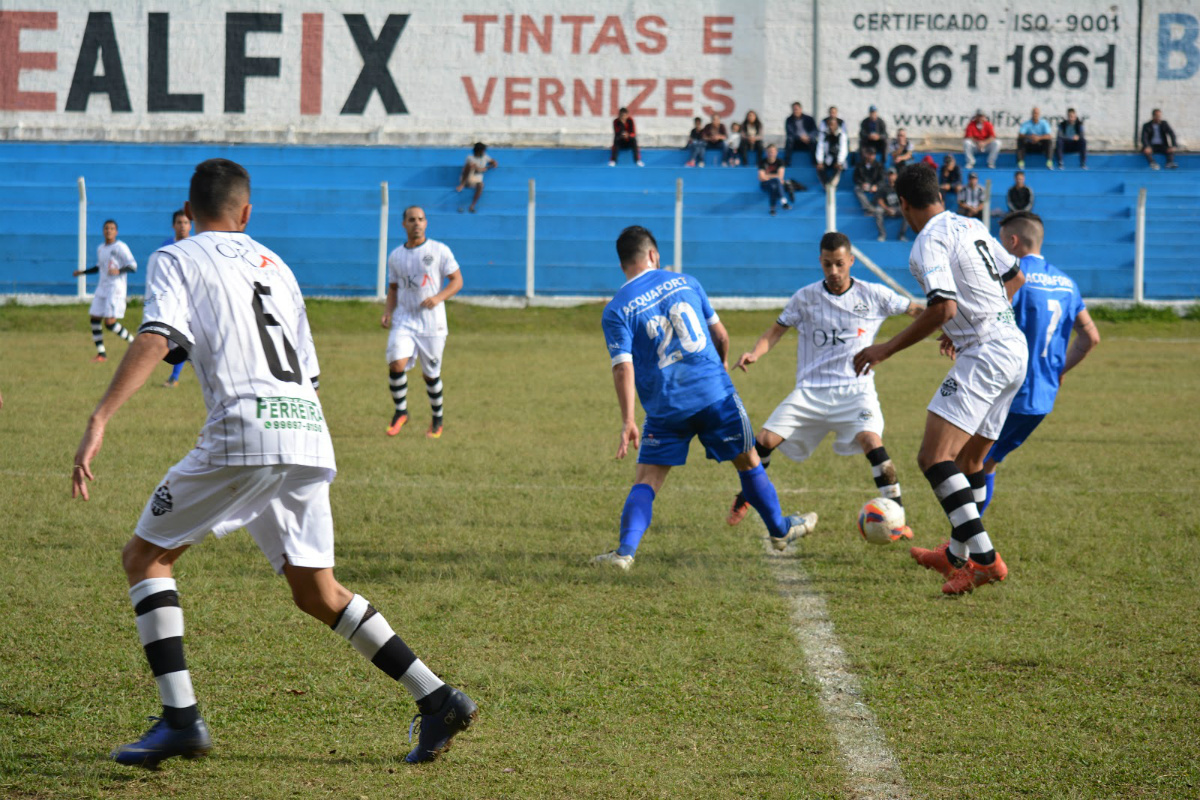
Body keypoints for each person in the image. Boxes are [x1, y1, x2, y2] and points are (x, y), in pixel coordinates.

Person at [70, 158, 477, 768]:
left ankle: (180, 719)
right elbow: (307, 370)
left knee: (145, 557)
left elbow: (156, 335)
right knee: (318, 591)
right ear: (246, 212)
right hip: (308, 430)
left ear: (191, 210)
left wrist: (100, 417)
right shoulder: (277, 265)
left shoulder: (176, 256)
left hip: (244, 430)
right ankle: (438, 697)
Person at [852, 163, 1028, 596]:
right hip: (1012, 347)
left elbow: (943, 307)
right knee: (970, 463)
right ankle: (955, 556)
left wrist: (884, 349)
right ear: (940, 195)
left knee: (934, 457)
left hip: (986, 353)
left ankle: (985, 561)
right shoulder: (972, 225)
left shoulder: (927, 241)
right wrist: (965, 324)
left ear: (903, 204)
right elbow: (1016, 278)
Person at [594, 226, 816, 569]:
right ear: (653, 254)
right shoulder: (686, 282)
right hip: (714, 395)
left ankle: (624, 553)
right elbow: (721, 335)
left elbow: (623, 367)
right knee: (748, 462)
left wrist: (628, 420)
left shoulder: (616, 309)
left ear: (623, 263)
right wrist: (722, 364)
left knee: (647, 479)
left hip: (665, 407)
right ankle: (780, 529)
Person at [725, 231, 921, 530]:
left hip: (856, 391)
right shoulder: (805, 298)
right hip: (810, 391)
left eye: (840, 264)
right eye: (828, 264)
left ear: (851, 261)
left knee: (872, 441)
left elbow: (916, 311)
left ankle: (897, 519)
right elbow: (775, 331)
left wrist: (947, 327)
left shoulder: (874, 294)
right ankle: (745, 496)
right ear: (820, 261)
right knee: (763, 441)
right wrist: (755, 352)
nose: (834, 271)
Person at [974, 211, 1100, 513]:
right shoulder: (1067, 283)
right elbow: (1090, 337)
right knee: (986, 462)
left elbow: (988, 322)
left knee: (967, 461)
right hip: (1042, 397)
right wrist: (1058, 369)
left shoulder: (1014, 277)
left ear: (1013, 241)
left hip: (1007, 390)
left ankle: (964, 538)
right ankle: (965, 535)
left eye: (1001, 243)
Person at [381, 206, 464, 439]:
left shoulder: (439, 250)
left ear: (426, 223)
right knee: (396, 364)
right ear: (404, 224)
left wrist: (438, 298)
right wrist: (388, 311)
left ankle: (437, 419)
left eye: (420, 219)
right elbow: (393, 288)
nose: (416, 223)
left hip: (432, 323)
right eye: (411, 220)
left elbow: (457, 281)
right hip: (404, 319)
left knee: (431, 375)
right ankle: (401, 412)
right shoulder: (396, 256)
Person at [73, 219, 137, 363]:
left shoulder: (120, 247)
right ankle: (101, 354)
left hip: (115, 288)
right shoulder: (101, 248)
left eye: (112, 228)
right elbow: (99, 267)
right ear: (103, 231)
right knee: (94, 318)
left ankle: (134, 343)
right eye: (106, 228)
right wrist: (82, 272)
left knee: (109, 323)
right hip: (102, 287)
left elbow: (133, 266)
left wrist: (119, 270)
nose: (109, 231)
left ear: (116, 232)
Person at [160, 210, 192, 387]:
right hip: (172, 298)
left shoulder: (196, 246)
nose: (182, 226)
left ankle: (174, 377)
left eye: (186, 223)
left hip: (192, 299)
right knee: (177, 338)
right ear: (173, 225)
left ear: (190, 226)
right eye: (179, 222)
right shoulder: (166, 247)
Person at [457, 142, 499, 212]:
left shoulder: (485, 156)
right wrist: (486, 168)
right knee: (469, 166)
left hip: (476, 181)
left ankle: (472, 206)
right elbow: (478, 169)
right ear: (478, 151)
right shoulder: (470, 157)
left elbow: (493, 161)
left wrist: (494, 163)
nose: (484, 152)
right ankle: (462, 185)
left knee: (481, 185)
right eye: (482, 151)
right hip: (467, 179)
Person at [874, 168, 909, 241]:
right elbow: (880, 200)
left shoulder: (901, 187)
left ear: (896, 176)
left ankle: (902, 235)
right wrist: (887, 209)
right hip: (887, 208)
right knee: (877, 211)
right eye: (889, 175)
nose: (891, 177)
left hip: (898, 208)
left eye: (892, 175)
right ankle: (882, 235)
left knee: (908, 212)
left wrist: (900, 208)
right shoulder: (883, 188)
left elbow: (905, 200)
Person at [758, 144, 791, 215]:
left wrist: (767, 176)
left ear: (776, 152)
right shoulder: (762, 162)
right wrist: (775, 176)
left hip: (775, 184)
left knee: (774, 185)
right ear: (766, 152)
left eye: (772, 151)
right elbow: (761, 177)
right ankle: (784, 202)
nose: (771, 153)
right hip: (765, 184)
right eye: (769, 151)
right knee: (776, 181)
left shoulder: (780, 162)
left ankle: (772, 209)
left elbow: (780, 176)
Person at [816, 118, 848, 188]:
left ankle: (832, 185)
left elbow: (843, 150)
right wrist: (820, 161)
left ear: (837, 125)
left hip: (838, 158)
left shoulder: (842, 135)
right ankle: (826, 185)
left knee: (839, 168)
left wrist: (839, 161)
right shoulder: (824, 135)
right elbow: (820, 147)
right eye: (830, 125)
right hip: (828, 158)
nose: (831, 127)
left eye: (833, 125)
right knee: (820, 168)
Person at [783, 102, 817, 166]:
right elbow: (790, 132)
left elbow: (815, 131)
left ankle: (815, 162)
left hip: (807, 141)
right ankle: (787, 162)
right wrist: (800, 137)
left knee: (814, 141)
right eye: (794, 109)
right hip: (796, 142)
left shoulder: (809, 119)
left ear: (801, 109)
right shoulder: (789, 120)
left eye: (796, 109)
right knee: (789, 140)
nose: (795, 111)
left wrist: (808, 137)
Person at [852, 146, 884, 215]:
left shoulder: (879, 165)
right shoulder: (859, 165)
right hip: (864, 185)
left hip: (874, 185)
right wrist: (862, 184)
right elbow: (856, 178)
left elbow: (882, 178)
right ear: (866, 154)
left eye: (873, 154)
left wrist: (876, 186)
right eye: (869, 154)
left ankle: (870, 209)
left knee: (882, 189)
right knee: (857, 189)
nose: (871, 156)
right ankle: (870, 209)